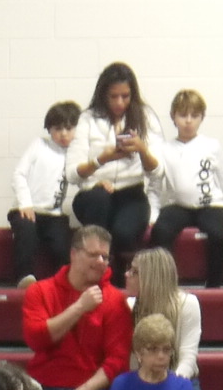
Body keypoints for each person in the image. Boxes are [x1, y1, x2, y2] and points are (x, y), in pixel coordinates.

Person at [20, 224, 131, 390]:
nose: (101, 262)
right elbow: (36, 339)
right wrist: (79, 307)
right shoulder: (40, 291)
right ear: (73, 254)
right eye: (93, 255)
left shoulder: (115, 300)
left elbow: (117, 361)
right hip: (45, 383)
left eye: (105, 257)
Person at [148, 88, 223, 287]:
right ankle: (165, 285)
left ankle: (214, 285)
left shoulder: (211, 145)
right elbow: (154, 186)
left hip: (211, 205)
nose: (188, 121)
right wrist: (153, 215)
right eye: (183, 115)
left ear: (202, 117)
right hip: (178, 206)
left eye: (194, 116)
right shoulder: (164, 149)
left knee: (219, 235)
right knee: (160, 232)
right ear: (173, 116)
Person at [65, 62, 156, 251]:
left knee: (123, 234)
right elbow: (72, 174)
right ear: (103, 95)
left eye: (125, 96)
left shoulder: (145, 116)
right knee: (99, 208)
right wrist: (101, 160)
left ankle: (113, 268)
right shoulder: (88, 118)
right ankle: (97, 264)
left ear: (133, 95)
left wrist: (142, 150)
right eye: (113, 96)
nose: (119, 103)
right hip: (94, 193)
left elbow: (158, 171)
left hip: (131, 195)